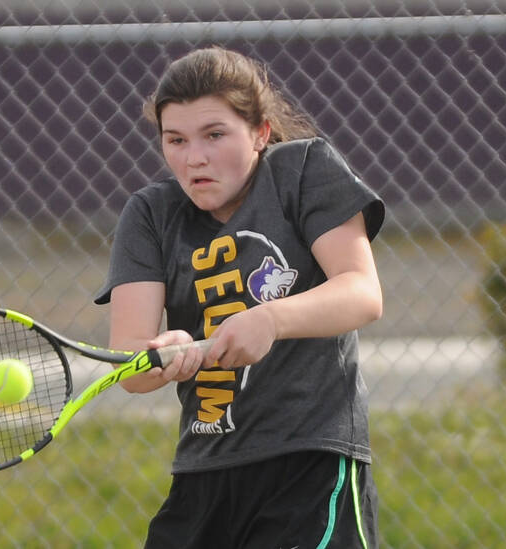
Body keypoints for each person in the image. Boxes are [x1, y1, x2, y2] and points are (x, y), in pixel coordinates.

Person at [95, 46, 384, 549]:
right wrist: (162, 352)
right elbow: (131, 364)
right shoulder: (150, 214)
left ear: (261, 133)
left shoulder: (302, 171)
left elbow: (362, 292)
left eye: (214, 135)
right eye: (176, 140)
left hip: (309, 466)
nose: (195, 158)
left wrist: (270, 319)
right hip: (202, 475)